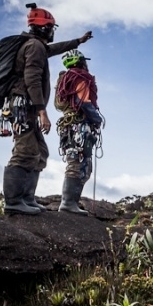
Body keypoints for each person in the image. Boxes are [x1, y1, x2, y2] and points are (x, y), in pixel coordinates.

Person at [2, 3, 93, 215]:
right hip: (22, 105)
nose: (53, 31)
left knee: (40, 152)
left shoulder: (38, 47)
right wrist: (42, 110)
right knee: (25, 150)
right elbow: (31, 78)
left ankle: (27, 198)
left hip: (27, 107)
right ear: (44, 28)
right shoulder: (34, 47)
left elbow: (55, 49)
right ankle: (14, 201)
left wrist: (78, 41)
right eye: (51, 27)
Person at [54, 49, 103, 215]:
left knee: (78, 163)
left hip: (68, 127)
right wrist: (97, 119)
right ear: (82, 62)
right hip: (80, 126)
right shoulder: (80, 77)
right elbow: (83, 102)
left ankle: (71, 203)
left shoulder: (64, 80)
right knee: (78, 164)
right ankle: (68, 203)